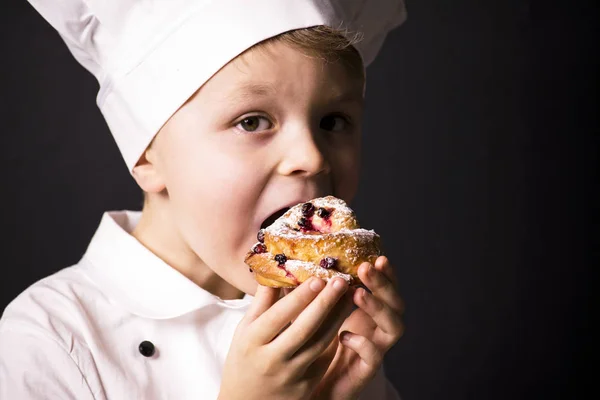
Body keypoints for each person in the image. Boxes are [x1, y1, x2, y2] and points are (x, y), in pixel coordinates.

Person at [0, 1, 408, 399]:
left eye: (332, 121)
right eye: (252, 121)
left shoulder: (335, 330)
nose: (312, 156)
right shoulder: (50, 338)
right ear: (145, 154)